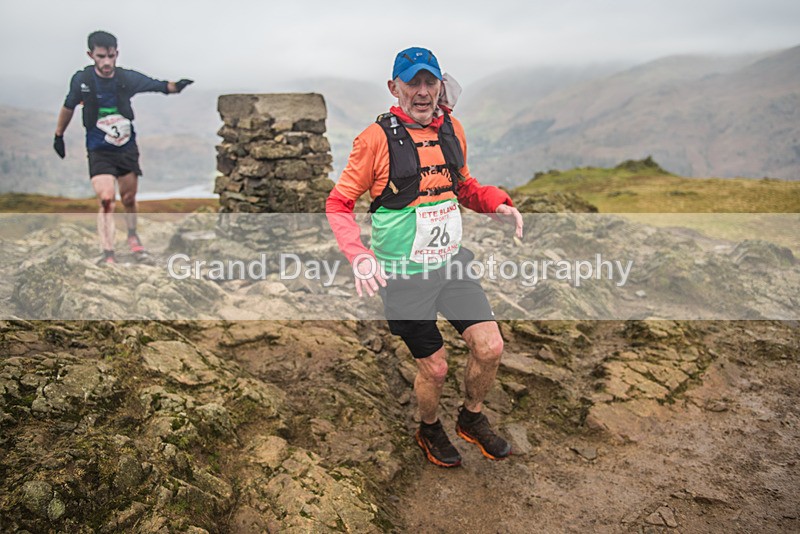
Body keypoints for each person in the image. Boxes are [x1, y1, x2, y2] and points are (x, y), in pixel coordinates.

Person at [326, 46, 524, 468]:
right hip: (403, 275)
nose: (422, 91)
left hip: (451, 264)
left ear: (440, 84)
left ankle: (471, 418)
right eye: (412, 82)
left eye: (429, 81)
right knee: (434, 369)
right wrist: (359, 255)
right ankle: (429, 426)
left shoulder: (452, 129)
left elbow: (464, 187)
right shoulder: (374, 140)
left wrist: (497, 204)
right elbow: (338, 203)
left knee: (490, 347)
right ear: (393, 87)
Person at [53, 30, 193, 264]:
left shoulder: (126, 78)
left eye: (110, 56)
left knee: (128, 198)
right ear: (91, 55)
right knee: (107, 199)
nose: (106, 62)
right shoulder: (82, 80)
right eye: (100, 56)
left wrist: (176, 86)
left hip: (126, 147)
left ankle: (132, 236)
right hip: (99, 148)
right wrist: (59, 135)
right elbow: (68, 106)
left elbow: (156, 85)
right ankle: (108, 253)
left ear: (116, 53)